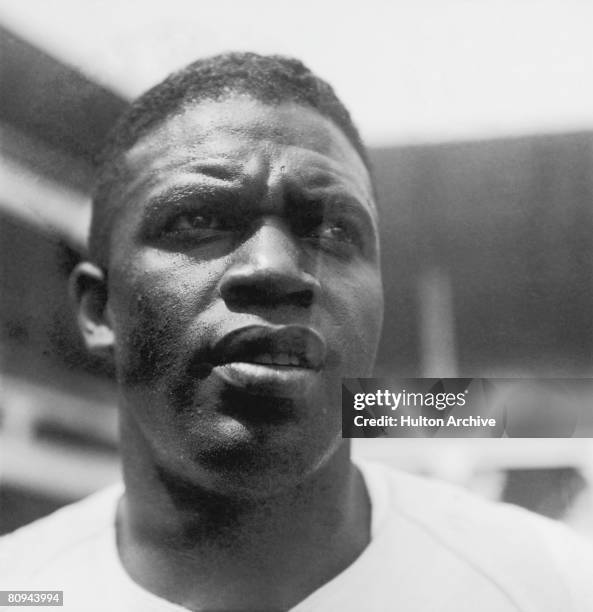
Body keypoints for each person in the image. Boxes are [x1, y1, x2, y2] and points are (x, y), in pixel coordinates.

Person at [1, 52, 592, 612]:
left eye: (335, 230)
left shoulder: (552, 582)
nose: (274, 268)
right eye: (197, 218)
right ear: (99, 309)